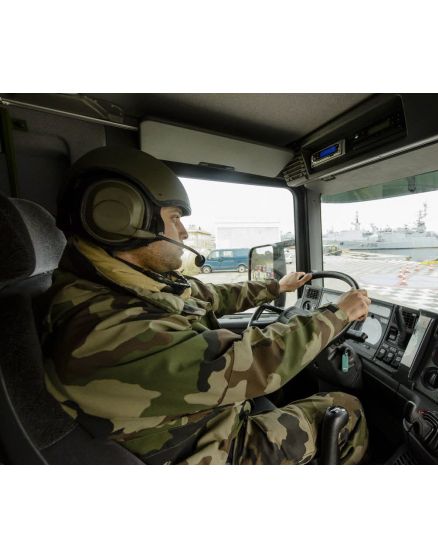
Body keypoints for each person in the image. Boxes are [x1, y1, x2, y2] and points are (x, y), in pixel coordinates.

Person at [42, 147, 370, 464]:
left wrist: (275, 287)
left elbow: (207, 296)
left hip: (187, 421)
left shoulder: (116, 287)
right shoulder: (109, 326)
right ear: (120, 219)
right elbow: (249, 364)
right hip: (202, 449)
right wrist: (339, 314)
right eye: (174, 218)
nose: (184, 233)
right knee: (345, 409)